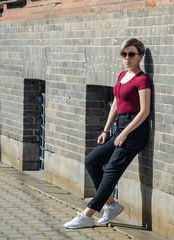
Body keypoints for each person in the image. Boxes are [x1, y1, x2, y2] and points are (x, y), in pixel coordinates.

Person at [64, 38, 151, 229]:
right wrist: (106, 130)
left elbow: (144, 111)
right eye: (124, 54)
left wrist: (125, 133)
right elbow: (117, 103)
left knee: (111, 170)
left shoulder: (142, 79)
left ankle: (87, 215)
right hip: (120, 128)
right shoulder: (122, 76)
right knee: (92, 161)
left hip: (135, 131)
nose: (127, 58)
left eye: (131, 54)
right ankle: (111, 205)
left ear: (140, 56)